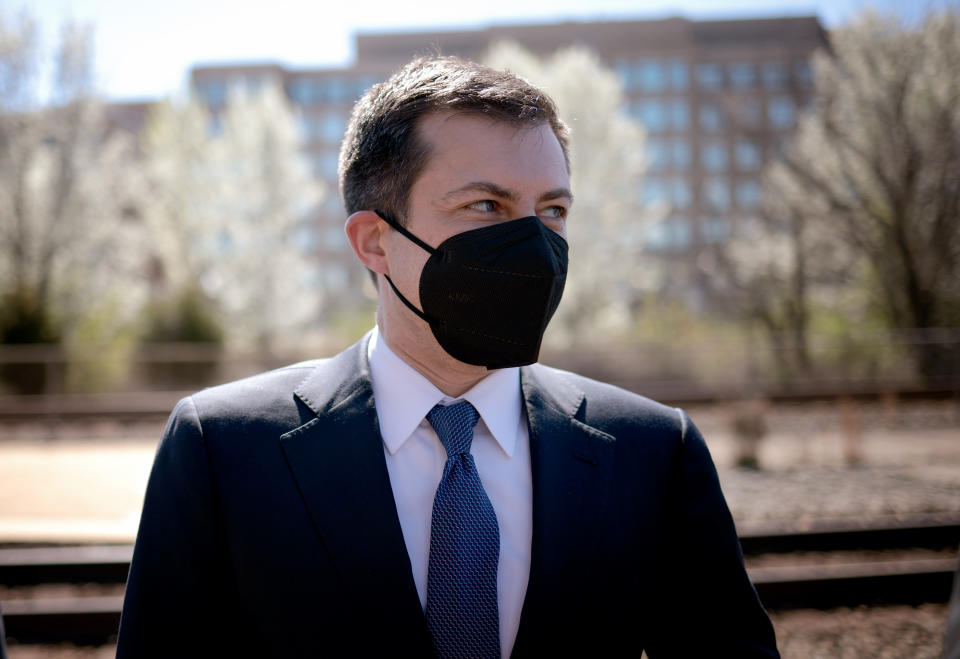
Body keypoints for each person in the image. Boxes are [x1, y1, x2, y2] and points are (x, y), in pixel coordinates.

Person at [116, 56, 779, 658]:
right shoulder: (222, 449)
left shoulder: (654, 450)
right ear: (375, 241)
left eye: (552, 210)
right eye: (486, 205)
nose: (531, 243)